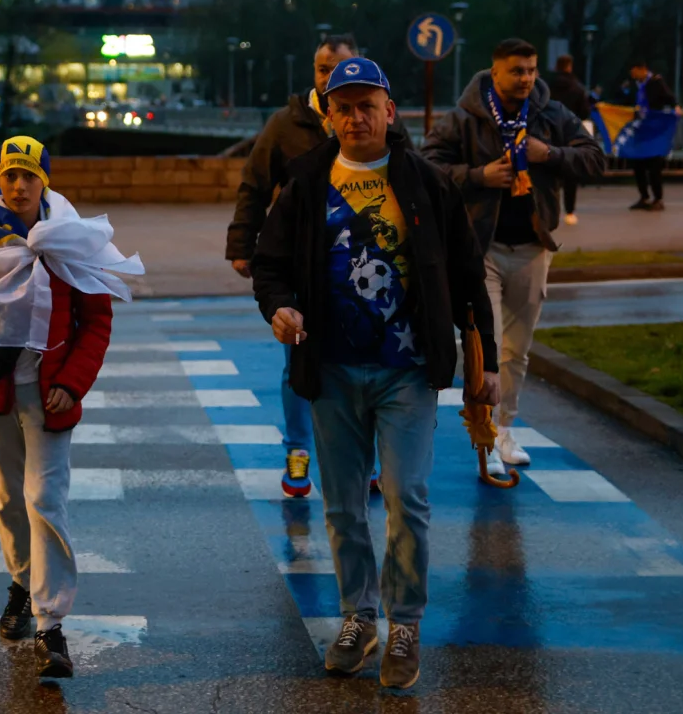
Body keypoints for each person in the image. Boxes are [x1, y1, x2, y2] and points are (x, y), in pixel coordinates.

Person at [252, 57, 499, 689]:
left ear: (390, 111)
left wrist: (488, 363)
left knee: (405, 497)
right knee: (341, 507)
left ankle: (405, 623)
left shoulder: (427, 181)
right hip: (331, 370)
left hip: (408, 371)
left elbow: (470, 276)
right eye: (344, 107)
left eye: (369, 105)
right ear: (328, 116)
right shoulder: (306, 181)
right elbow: (270, 263)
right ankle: (359, 617)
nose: (357, 117)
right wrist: (278, 306)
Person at [0, 136, 143, 679]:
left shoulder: (69, 240)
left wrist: (73, 381)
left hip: (49, 395)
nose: (19, 186)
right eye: (10, 175)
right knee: (6, 501)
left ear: (46, 182)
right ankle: (21, 582)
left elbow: (96, 321)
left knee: (45, 500)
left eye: (29, 177)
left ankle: (50, 622)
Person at [226, 34, 403, 497]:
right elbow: (255, 183)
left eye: (338, 68)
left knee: (369, 360)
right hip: (304, 265)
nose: (328, 78)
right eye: (322, 69)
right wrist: (242, 243)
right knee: (299, 361)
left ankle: (366, 459)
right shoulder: (288, 124)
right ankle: (298, 450)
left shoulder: (373, 123)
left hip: (359, 268)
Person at [422, 39, 605, 473]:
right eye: (517, 71)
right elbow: (426, 165)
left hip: (533, 246)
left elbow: (596, 160)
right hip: (479, 249)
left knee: (517, 350)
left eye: (531, 70)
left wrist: (551, 154)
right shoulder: (465, 118)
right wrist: (478, 176)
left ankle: (504, 430)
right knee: (484, 349)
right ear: (495, 71)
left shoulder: (551, 114)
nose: (526, 78)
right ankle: (483, 431)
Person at [625, 59, 678, 211]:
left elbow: (670, 98)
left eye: (634, 71)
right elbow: (626, 100)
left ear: (642, 69)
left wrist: (676, 107)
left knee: (654, 165)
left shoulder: (656, 82)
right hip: (640, 129)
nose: (632, 75)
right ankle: (644, 196)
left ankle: (658, 198)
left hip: (653, 128)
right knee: (638, 164)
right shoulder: (635, 85)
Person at [547, 55, 591, 225]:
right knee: (570, 174)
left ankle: (549, 208)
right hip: (570, 135)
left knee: (549, 172)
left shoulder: (547, 87)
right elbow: (585, 112)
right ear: (570, 66)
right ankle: (570, 211)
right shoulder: (578, 88)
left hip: (549, 133)